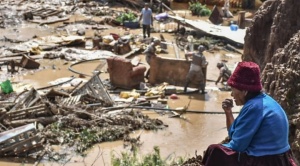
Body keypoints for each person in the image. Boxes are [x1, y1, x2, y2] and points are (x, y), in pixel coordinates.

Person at [202, 61, 297, 166]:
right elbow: (234, 134)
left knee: (215, 150)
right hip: (281, 158)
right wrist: (228, 112)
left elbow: (237, 146)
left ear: (245, 91)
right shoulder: (263, 101)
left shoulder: (254, 107)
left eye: (233, 90)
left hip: (267, 160)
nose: (232, 94)